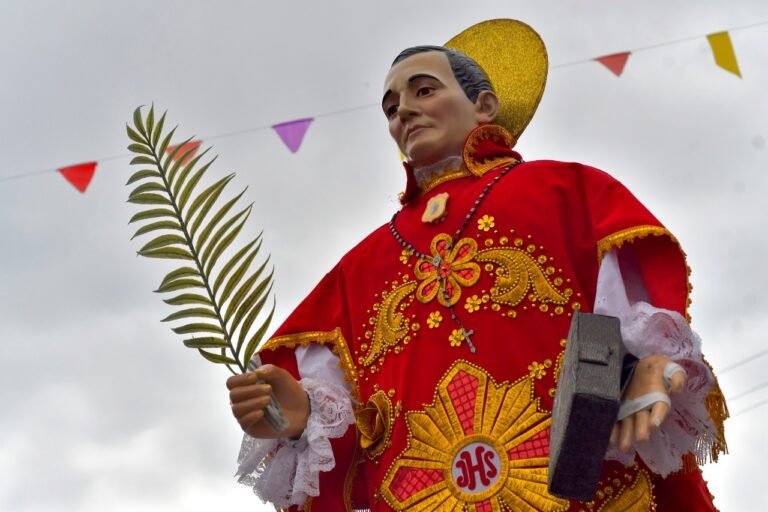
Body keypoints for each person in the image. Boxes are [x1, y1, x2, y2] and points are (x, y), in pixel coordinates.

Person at [226, 19, 727, 511]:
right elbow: (359, 429)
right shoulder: (358, 268)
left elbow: (630, 309)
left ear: (483, 105)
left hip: (587, 487)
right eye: (391, 106)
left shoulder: (563, 191)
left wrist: (646, 363)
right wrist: (303, 417)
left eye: (423, 90)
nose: (403, 111)